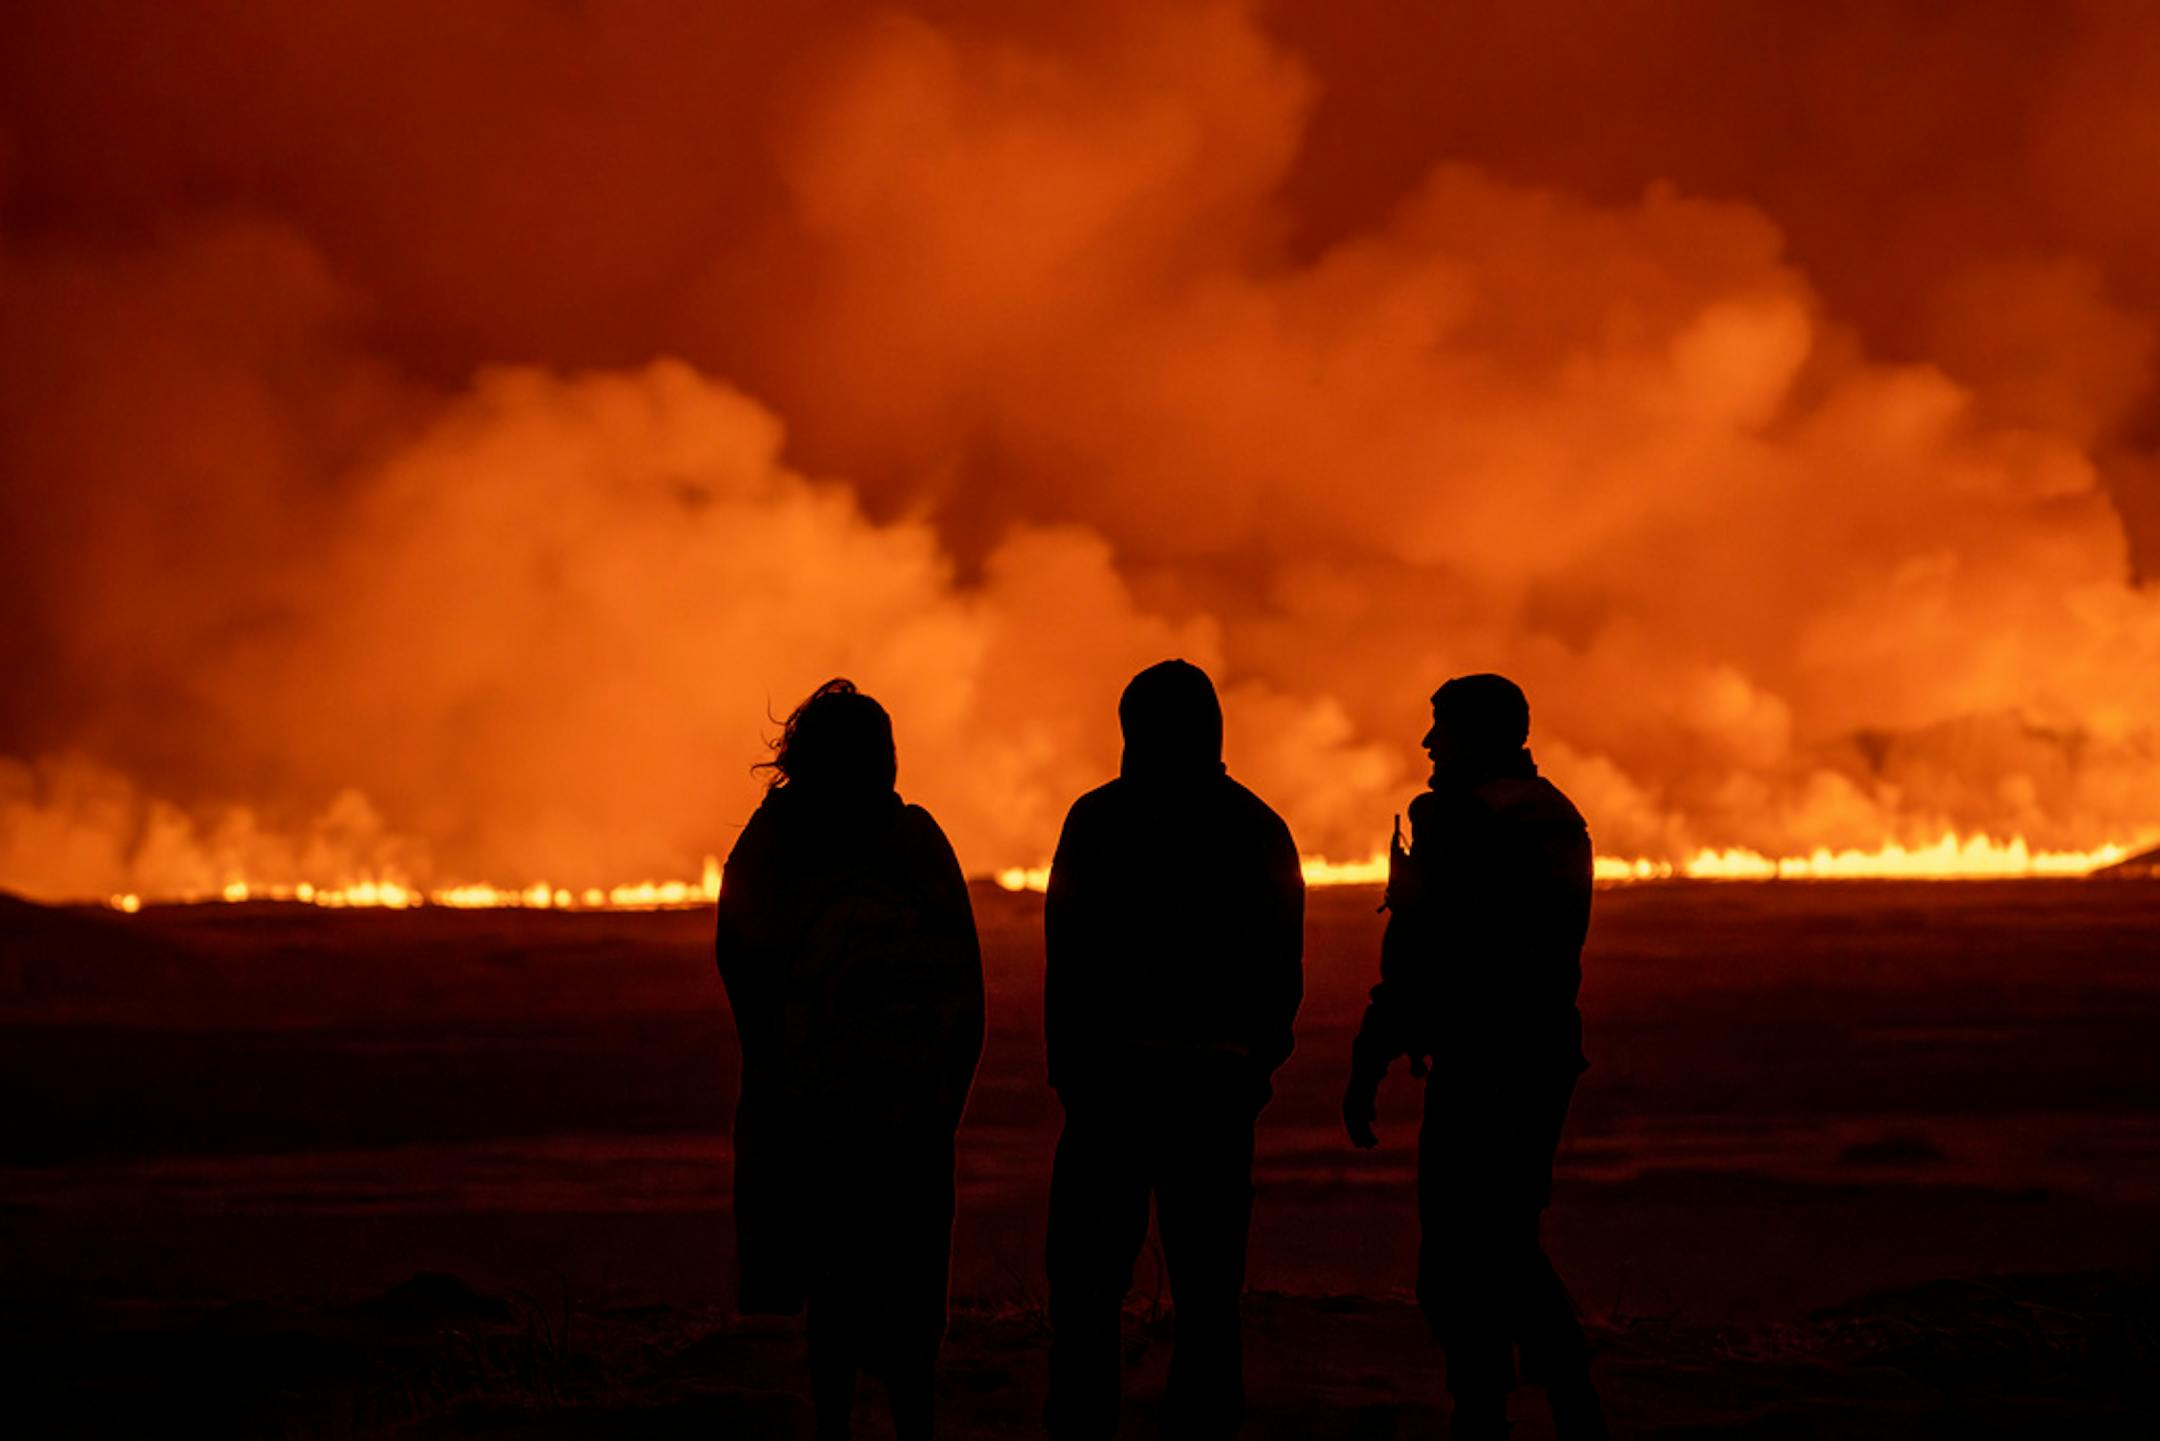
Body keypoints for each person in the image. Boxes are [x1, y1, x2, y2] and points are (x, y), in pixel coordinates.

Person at [714, 679, 985, 1441]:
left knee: (833, 1310)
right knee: (898, 1310)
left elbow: (742, 975)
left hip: (823, 1119)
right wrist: (937, 1107)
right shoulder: (910, 844)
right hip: (892, 1121)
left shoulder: (771, 847)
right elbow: (963, 991)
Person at [1341, 674, 1609, 1440]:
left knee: (1467, 1252)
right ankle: (1556, 1400)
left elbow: (1425, 956)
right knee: (1502, 1233)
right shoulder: (1555, 813)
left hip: (1482, 1060)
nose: (1430, 744)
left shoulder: (1462, 819)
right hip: (1542, 1054)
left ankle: (1501, 1409)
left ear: (1478, 733)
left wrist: (1371, 1056)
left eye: (1443, 727)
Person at [1042, 659, 1305, 1441]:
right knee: (1208, 1296)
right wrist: (1252, 1065)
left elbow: (1067, 957)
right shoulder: (1258, 826)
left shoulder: (1097, 820)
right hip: (1213, 1092)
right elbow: (1282, 969)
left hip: (1112, 1089)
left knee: (1086, 1294)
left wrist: (1075, 1074)